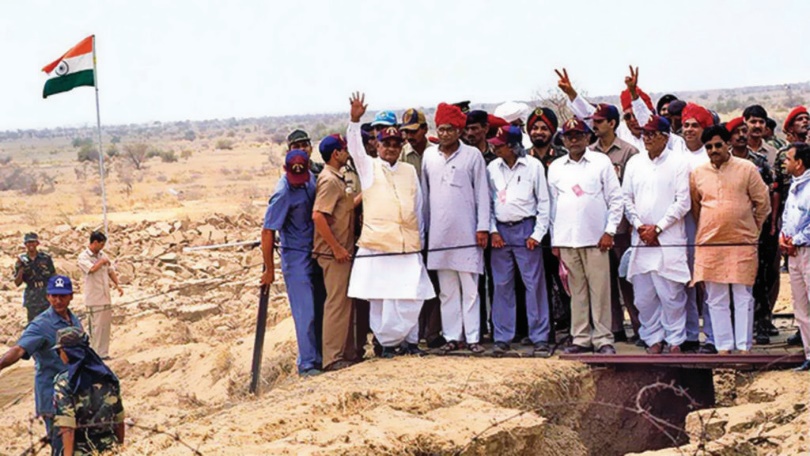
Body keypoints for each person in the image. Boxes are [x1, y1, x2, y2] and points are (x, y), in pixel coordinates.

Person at [345, 93, 435, 358]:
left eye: (397, 143)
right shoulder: (369, 167)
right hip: (378, 246)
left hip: (407, 247)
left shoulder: (408, 171)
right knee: (382, 300)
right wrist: (354, 120)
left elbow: (418, 207)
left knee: (410, 297)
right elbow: (354, 148)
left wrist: (420, 241)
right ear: (379, 145)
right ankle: (387, 344)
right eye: (387, 143)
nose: (392, 148)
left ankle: (410, 341)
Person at [690, 125, 771, 354]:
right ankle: (724, 347)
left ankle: (744, 348)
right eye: (709, 147)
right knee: (715, 297)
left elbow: (762, 203)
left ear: (727, 144)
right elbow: (697, 207)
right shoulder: (698, 173)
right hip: (709, 243)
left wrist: (753, 230)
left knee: (742, 296)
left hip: (742, 242)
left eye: (718, 145)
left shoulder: (746, 169)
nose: (713, 150)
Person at [548, 117, 623, 355]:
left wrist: (610, 230)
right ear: (563, 139)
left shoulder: (600, 162)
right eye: (569, 136)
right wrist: (554, 240)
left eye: (578, 135)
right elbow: (551, 205)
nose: (574, 140)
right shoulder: (556, 167)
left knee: (600, 291)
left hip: (596, 239)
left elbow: (616, 199)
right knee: (576, 292)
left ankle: (603, 339)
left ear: (587, 137)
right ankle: (580, 338)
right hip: (567, 239)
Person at [422, 102, 490, 354]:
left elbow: (483, 194)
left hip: (469, 234)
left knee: (471, 289)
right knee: (447, 291)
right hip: (439, 236)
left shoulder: (473, 156)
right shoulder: (429, 157)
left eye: (450, 129)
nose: (445, 134)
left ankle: (473, 338)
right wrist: (425, 232)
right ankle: (452, 336)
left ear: (459, 130)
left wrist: (483, 228)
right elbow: (425, 199)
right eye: (441, 129)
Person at [623, 116, 691, 354]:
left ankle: (675, 340)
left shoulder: (679, 162)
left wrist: (658, 227)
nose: (647, 139)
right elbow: (626, 199)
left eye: (652, 134)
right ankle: (653, 338)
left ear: (665, 136)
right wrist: (640, 226)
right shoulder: (635, 163)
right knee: (644, 296)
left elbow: (683, 202)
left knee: (671, 293)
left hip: (668, 237)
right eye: (645, 134)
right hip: (641, 238)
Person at [486, 125, 552, 356]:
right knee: (502, 285)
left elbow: (544, 202)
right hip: (501, 231)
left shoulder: (533, 166)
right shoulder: (492, 167)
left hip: (526, 228)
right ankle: (502, 336)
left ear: (513, 146)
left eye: (500, 144)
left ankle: (540, 336)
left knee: (534, 285)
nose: (495, 147)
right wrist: (493, 230)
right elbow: (489, 203)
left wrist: (537, 234)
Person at [0, 275, 82, 456]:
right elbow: (19, 350)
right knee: (61, 447)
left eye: (62, 296)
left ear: (71, 296)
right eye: (54, 296)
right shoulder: (40, 325)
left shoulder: (74, 320)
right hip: (52, 396)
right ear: (47, 297)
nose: (58, 300)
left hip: (75, 392)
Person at [260, 149, 325, 376]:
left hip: (315, 253)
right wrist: (269, 269)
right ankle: (307, 364)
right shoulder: (283, 193)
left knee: (319, 307)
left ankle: (321, 357)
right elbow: (268, 231)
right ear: (286, 171)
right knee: (304, 312)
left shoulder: (310, 182)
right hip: (295, 258)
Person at [584, 102, 641, 344]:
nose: (594, 125)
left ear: (612, 123)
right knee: (603, 283)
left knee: (628, 280)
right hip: (597, 228)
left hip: (622, 228)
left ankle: (641, 329)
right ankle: (614, 328)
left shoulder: (629, 152)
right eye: (593, 121)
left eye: (599, 121)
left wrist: (630, 223)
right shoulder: (590, 153)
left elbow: (633, 191)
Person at [726, 117, 779, 345]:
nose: (740, 135)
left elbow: (770, 194)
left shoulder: (758, 161)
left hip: (758, 227)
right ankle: (735, 327)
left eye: (743, 131)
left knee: (761, 277)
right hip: (729, 229)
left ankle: (762, 323)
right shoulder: (722, 161)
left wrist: (765, 224)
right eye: (736, 132)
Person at [312, 134, 362, 371]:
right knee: (337, 304)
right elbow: (319, 216)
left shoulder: (336, 178)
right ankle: (332, 357)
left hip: (342, 251)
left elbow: (344, 207)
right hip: (334, 254)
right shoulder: (329, 181)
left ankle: (348, 352)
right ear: (336, 154)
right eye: (344, 149)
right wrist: (336, 247)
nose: (347, 153)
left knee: (345, 302)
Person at [52, 327, 125, 455]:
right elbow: (119, 420)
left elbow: (68, 429)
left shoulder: (64, 383)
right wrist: (120, 446)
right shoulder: (107, 376)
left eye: (59, 351)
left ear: (66, 352)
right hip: (110, 447)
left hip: (82, 449)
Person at [779, 142, 810, 371]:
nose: (784, 163)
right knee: (800, 305)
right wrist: (784, 236)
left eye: (788, 159)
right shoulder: (795, 186)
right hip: (794, 252)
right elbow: (789, 215)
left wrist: (796, 239)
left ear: (799, 163)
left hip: (807, 249)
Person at [77, 231, 122, 360]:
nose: (102, 247)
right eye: (101, 244)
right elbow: (91, 269)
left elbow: (110, 271)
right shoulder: (83, 257)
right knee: (95, 328)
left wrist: (117, 284)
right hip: (93, 298)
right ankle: (95, 354)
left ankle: (103, 353)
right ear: (94, 242)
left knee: (105, 327)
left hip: (105, 296)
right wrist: (101, 262)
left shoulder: (103, 256)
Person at [14, 232, 56, 322]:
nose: (31, 245)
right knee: (33, 323)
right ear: (25, 244)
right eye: (28, 242)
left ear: (37, 243)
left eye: (33, 242)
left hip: (45, 294)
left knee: (49, 321)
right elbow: (17, 283)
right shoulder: (22, 260)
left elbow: (53, 276)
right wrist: (21, 268)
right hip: (32, 296)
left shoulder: (45, 258)